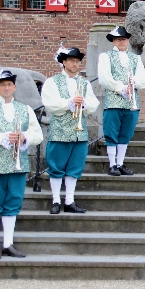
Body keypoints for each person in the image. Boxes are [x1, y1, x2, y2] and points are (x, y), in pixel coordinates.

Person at [0, 69, 43, 259]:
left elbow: (38, 134)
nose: (6, 87)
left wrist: (24, 136)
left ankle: (8, 243)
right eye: (2, 84)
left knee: (13, 202)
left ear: (14, 87)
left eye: (9, 84)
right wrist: (2, 137)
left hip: (17, 164)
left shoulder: (25, 109)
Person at [42, 46, 100, 214]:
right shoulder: (52, 82)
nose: (76, 64)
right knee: (56, 166)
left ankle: (69, 200)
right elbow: (50, 104)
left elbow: (93, 103)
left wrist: (84, 104)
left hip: (78, 132)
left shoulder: (84, 82)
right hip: (60, 131)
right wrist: (69, 102)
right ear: (64, 62)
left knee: (75, 167)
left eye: (77, 61)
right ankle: (55, 200)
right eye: (72, 61)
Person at [98, 25, 145, 176]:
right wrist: (121, 88)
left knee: (125, 134)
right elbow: (104, 79)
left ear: (128, 41)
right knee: (112, 133)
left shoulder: (135, 58)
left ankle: (120, 163)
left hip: (131, 103)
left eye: (124, 39)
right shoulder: (106, 56)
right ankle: (112, 164)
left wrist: (134, 82)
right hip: (114, 101)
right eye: (118, 39)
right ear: (113, 41)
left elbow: (144, 80)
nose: (122, 42)